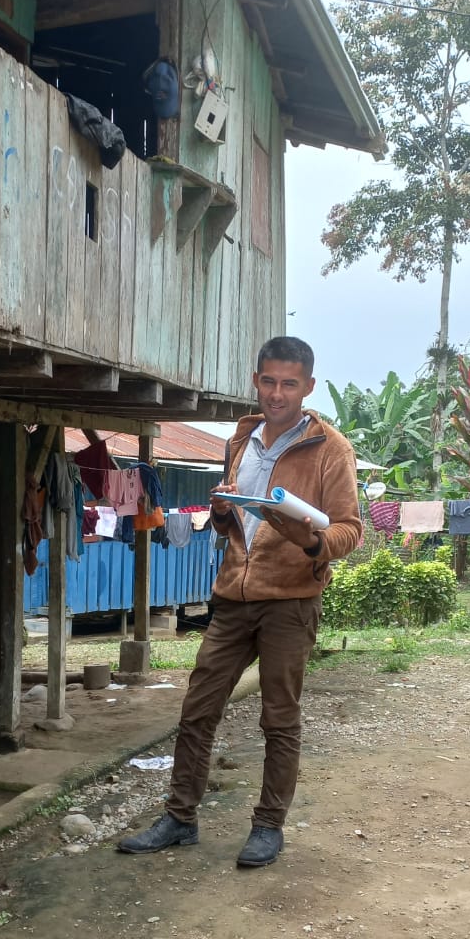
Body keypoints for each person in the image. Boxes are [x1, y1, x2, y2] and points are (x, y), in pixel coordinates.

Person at [118, 336, 362, 869]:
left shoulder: (331, 449)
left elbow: (349, 530)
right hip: (232, 595)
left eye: (289, 384)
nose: (277, 393)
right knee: (197, 708)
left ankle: (269, 826)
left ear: (308, 387)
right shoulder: (241, 439)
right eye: (268, 381)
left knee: (279, 718)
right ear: (256, 381)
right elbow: (233, 522)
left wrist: (311, 541)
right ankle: (180, 818)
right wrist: (223, 511)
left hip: (291, 600)